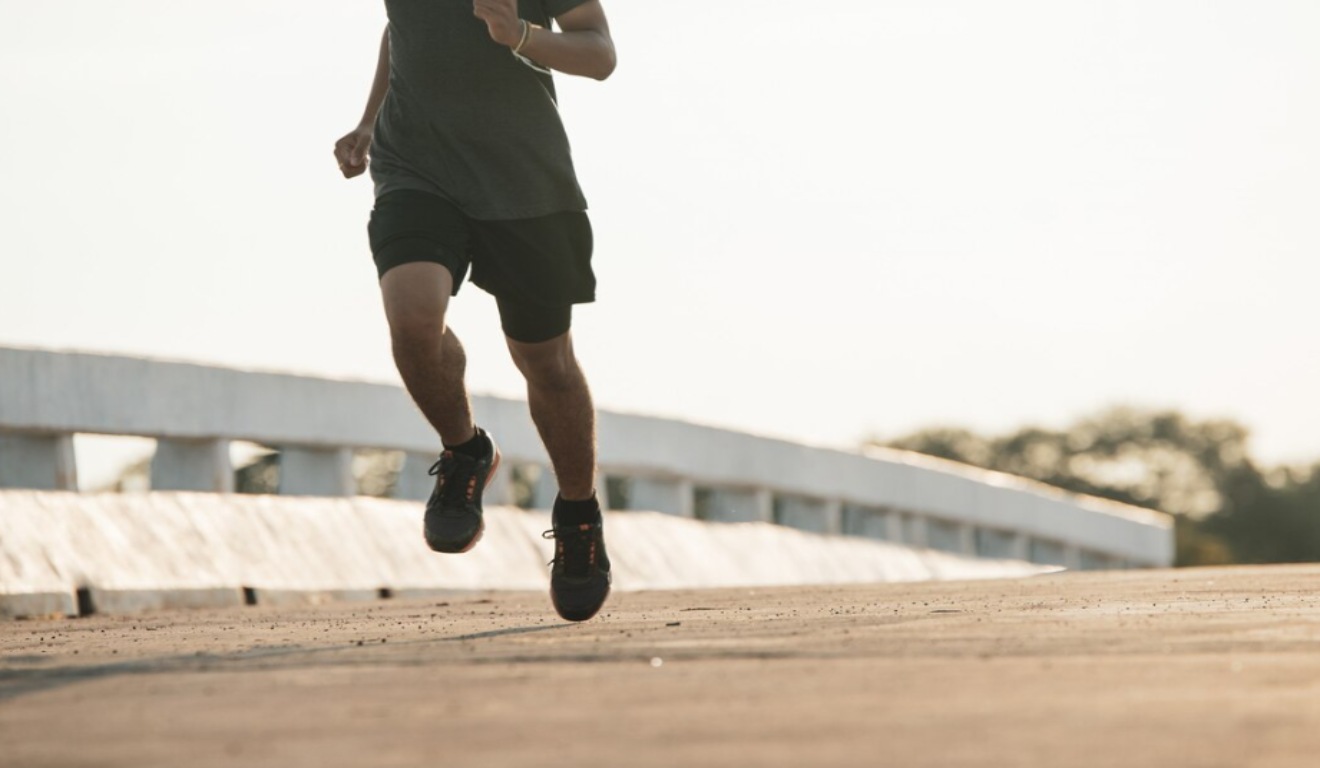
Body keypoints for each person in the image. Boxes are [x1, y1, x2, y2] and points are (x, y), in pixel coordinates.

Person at [333, 0, 616, 622]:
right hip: (416, 168)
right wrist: (368, 120)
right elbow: (402, 28)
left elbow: (599, 53)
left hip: (526, 183)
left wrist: (518, 35)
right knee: (412, 320)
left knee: (546, 362)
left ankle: (577, 517)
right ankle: (465, 451)